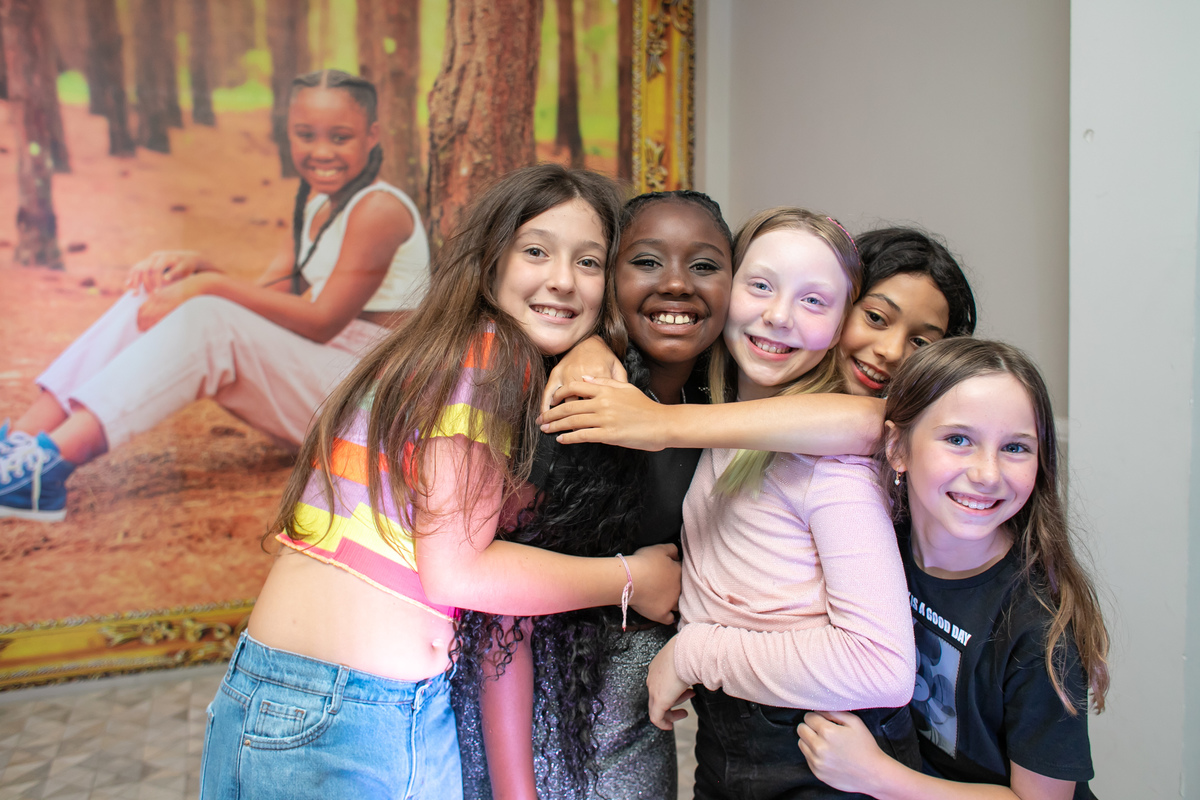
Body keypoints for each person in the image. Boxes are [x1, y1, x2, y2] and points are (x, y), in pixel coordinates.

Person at [199, 164, 683, 799]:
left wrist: (591, 349)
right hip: (348, 712)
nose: (563, 279)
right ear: (490, 260)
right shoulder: (488, 360)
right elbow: (459, 572)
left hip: (315, 694)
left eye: (588, 262)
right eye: (536, 251)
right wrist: (632, 578)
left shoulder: (450, 347)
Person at [0, 69, 428, 522]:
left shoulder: (379, 209)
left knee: (206, 316)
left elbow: (322, 321)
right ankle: (20, 444)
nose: (321, 151)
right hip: (323, 373)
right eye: (306, 135)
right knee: (160, 294)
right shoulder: (314, 204)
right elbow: (268, 300)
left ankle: (44, 473)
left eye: (340, 137)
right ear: (289, 134)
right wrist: (200, 268)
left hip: (373, 402)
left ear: (372, 136)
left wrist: (208, 285)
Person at [454, 190, 736, 800]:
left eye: (705, 265)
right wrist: (516, 791)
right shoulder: (571, 407)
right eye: (646, 261)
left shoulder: (724, 405)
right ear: (609, 280)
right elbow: (501, 622)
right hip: (539, 736)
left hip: (639, 732)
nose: (677, 283)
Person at [642, 208, 917, 798]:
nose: (778, 315)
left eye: (814, 301)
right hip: (730, 738)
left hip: (814, 751)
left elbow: (882, 666)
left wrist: (692, 653)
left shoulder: (832, 469)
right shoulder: (713, 407)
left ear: (840, 327)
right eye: (761, 285)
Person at [796, 338, 1110, 800]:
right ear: (897, 448)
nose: (987, 474)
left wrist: (876, 775)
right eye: (959, 440)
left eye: (1015, 447)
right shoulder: (874, 546)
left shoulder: (1040, 628)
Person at [537, 225, 975, 453]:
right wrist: (592, 344)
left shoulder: (868, 440)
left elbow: (869, 422)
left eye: (921, 343)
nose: (892, 351)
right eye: (876, 318)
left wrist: (660, 423)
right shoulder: (723, 369)